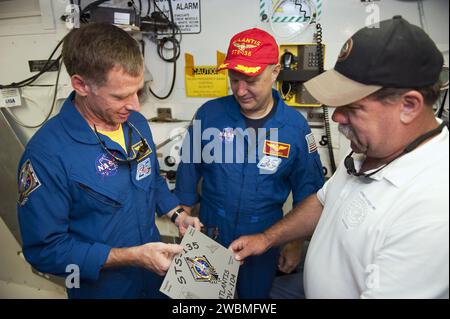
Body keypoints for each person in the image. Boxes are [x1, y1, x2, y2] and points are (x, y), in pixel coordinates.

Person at [230, 16, 449, 299]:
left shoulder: (434, 209)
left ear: (408, 106)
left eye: (353, 107)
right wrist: (266, 239)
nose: (336, 117)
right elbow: (324, 201)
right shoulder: (374, 148)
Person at [16, 23, 201, 299]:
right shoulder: (46, 155)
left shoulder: (135, 123)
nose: (136, 105)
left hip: (154, 278)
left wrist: (177, 213)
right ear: (81, 85)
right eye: (120, 96)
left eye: (137, 91)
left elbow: (149, 178)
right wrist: (131, 257)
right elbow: (44, 251)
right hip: (101, 288)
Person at [174, 28, 324, 298]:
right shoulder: (210, 115)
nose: (241, 91)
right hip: (209, 236)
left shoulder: (295, 128)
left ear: (275, 72)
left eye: (251, 80)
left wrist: (295, 242)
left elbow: (310, 193)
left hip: (264, 240)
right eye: (234, 80)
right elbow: (187, 172)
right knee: (197, 301)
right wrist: (182, 217)